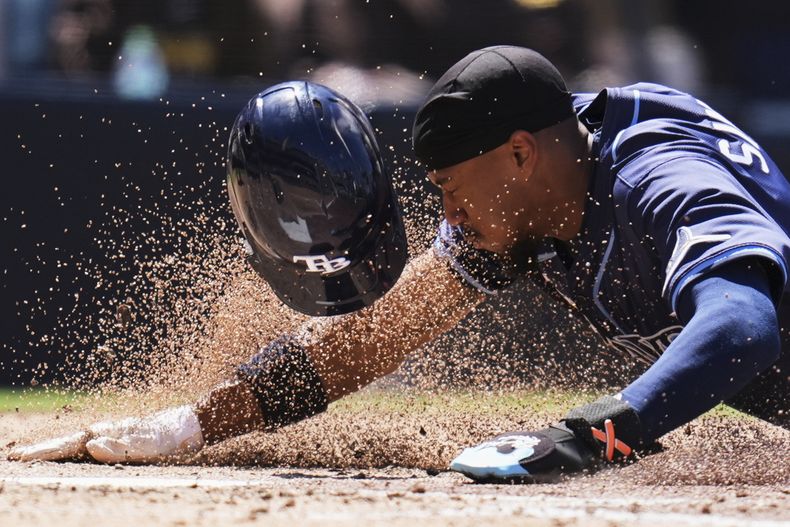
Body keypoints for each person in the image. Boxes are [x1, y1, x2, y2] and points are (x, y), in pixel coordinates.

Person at [9, 46, 789, 484]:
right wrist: (190, 424)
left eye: (453, 190)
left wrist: (598, 435)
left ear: (519, 155)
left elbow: (745, 322)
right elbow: (376, 336)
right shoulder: (529, 199)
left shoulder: (662, 182)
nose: (446, 215)